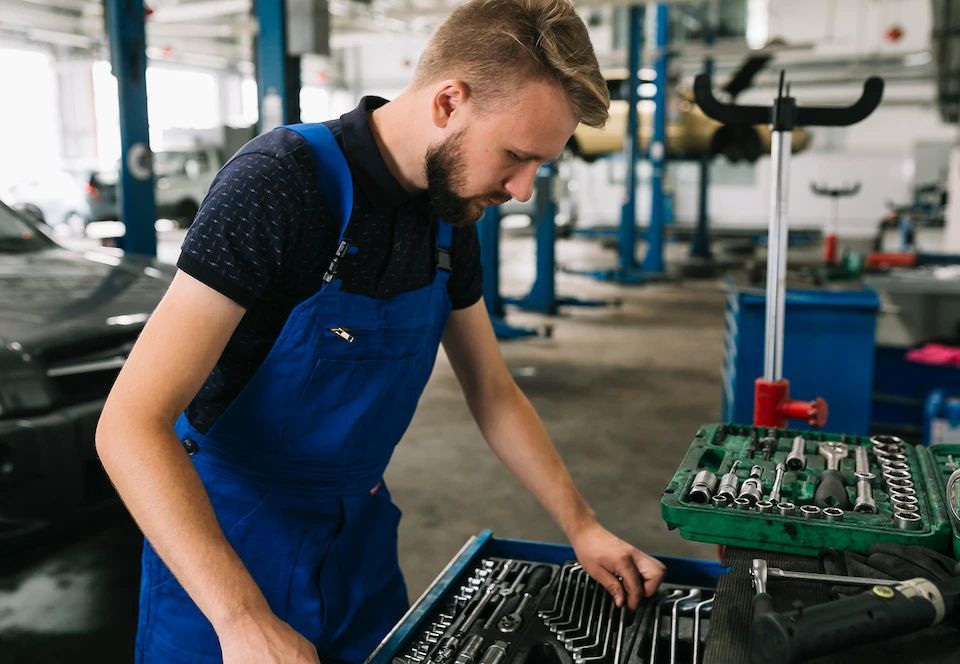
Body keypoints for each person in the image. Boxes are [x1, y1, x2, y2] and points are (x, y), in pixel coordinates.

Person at [96, 1, 666, 662]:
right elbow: (131, 424)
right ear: (449, 101)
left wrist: (582, 526)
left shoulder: (450, 218)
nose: (523, 189)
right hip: (227, 549)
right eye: (515, 156)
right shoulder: (280, 185)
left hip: (358, 547)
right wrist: (242, 618)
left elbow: (492, 390)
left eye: (539, 165)